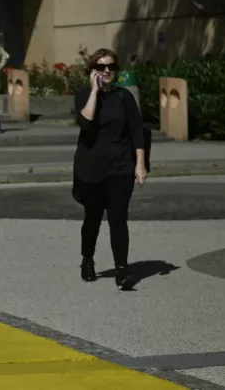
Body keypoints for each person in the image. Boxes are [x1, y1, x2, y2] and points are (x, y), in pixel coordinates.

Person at [73, 48, 148, 290]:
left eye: (111, 67)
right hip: (91, 168)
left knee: (118, 218)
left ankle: (122, 271)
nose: (107, 71)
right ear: (93, 71)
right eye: (102, 66)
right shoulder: (84, 94)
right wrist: (95, 91)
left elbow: (137, 131)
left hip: (120, 167)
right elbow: (85, 122)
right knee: (93, 217)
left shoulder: (125, 97)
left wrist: (140, 164)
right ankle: (87, 259)